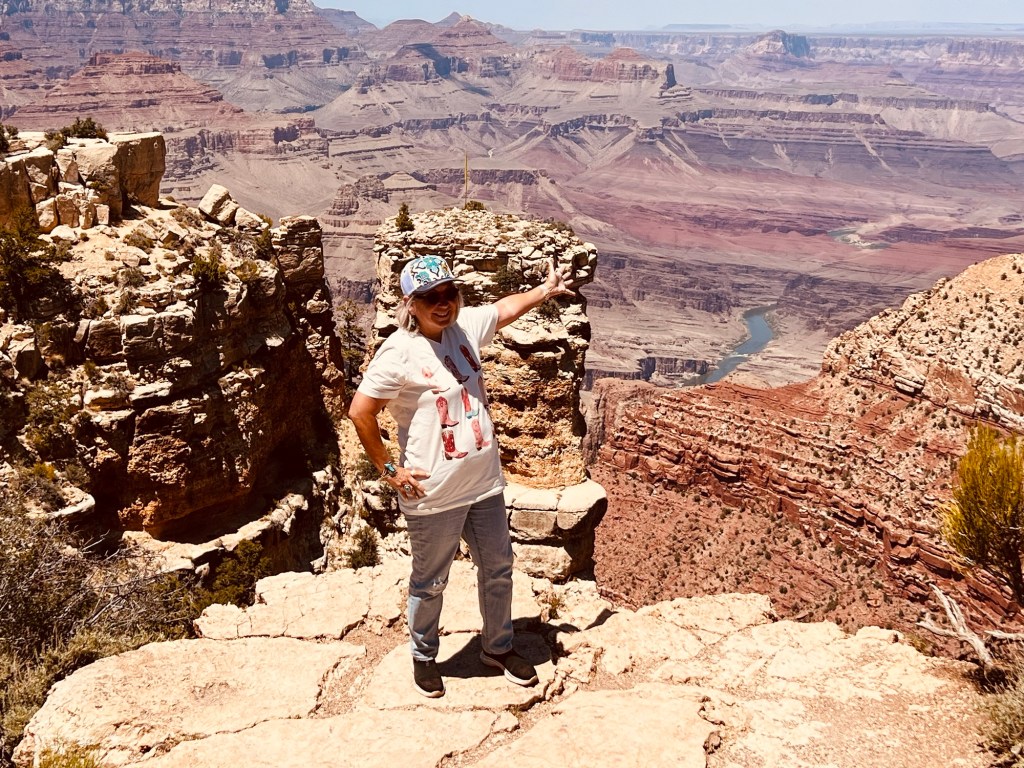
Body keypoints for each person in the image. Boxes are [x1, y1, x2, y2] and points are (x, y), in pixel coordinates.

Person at [348, 253, 574, 698]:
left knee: (498, 568)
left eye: (448, 293)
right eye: (429, 297)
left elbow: (505, 309)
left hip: (483, 484)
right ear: (410, 304)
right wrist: (389, 470)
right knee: (430, 581)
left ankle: (498, 647)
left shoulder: (464, 328)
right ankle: (424, 656)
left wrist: (545, 290)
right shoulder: (398, 352)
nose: (442, 303)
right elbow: (360, 412)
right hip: (433, 492)